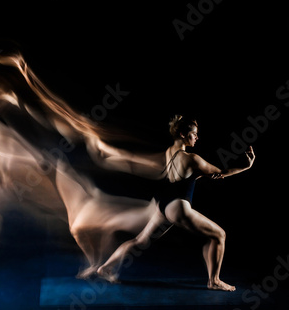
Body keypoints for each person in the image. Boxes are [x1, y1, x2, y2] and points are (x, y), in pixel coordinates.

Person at [88, 115, 255, 291]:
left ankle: (105, 268)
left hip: (163, 205)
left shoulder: (167, 154)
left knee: (139, 240)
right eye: (194, 134)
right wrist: (246, 166)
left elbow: (144, 162)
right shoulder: (192, 159)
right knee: (219, 235)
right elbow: (221, 173)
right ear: (183, 134)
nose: (197, 137)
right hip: (179, 207)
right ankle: (214, 281)